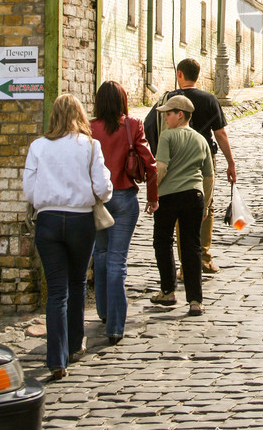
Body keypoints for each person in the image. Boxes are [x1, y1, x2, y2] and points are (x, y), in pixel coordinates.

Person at [24, 94, 113, 379]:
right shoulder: (89, 145)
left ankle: (56, 358)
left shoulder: (38, 146)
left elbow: (29, 190)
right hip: (79, 220)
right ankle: (75, 344)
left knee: (57, 291)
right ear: (80, 115)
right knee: (77, 284)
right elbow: (102, 187)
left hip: (48, 221)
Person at [144, 58, 236, 275]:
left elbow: (149, 126)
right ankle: (203, 257)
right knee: (206, 205)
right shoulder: (209, 99)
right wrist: (231, 162)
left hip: (173, 158)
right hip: (203, 158)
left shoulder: (169, 99)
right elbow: (220, 133)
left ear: (179, 75)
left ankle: (186, 264)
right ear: (198, 74)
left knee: (178, 206)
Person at [90, 81, 158, 345]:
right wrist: (153, 199)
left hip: (97, 201)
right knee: (117, 261)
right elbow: (150, 165)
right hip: (124, 198)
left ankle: (105, 312)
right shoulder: (132, 125)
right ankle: (116, 326)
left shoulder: (90, 128)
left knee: (102, 254)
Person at [150, 95, 214, 316]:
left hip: (169, 196)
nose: (165, 118)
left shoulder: (167, 136)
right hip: (194, 196)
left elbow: (161, 168)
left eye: (168, 113)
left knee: (163, 241)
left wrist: (152, 192)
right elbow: (208, 175)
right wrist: (205, 203)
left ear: (180, 115)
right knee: (192, 246)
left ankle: (168, 290)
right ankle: (195, 300)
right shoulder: (200, 139)